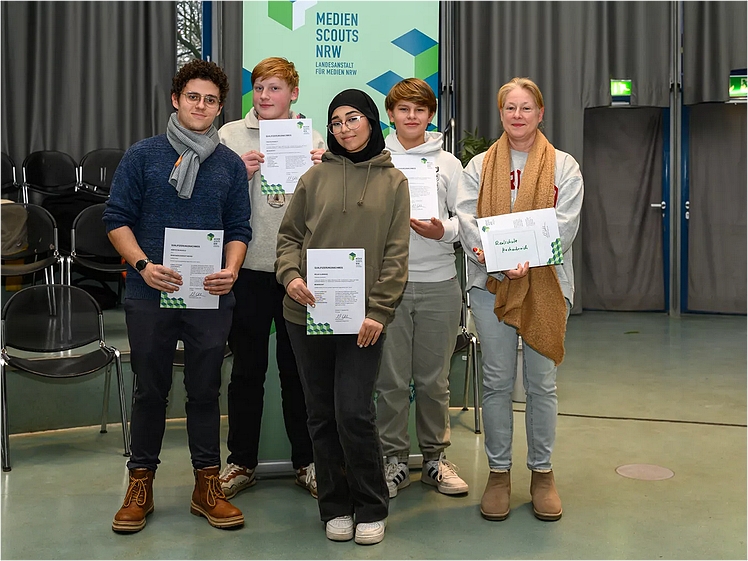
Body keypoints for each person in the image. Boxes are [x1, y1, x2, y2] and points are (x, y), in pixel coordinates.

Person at [104, 59, 251, 532]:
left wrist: (231, 269)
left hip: (209, 295)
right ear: (176, 99)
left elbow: (239, 227)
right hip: (149, 292)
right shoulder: (142, 155)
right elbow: (116, 219)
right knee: (151, 390)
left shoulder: (229, 164)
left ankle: (206, 486)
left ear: (220, 107)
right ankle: (139, 484)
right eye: (193, 97)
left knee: (205, 390)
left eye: (211, 100)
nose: (201, 106)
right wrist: (143, 267)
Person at [275, 89, 410, 545]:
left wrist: (380, 311)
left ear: (371, 120)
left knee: (354, 411)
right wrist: (291, 276)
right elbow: (289, 238)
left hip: (364, 320)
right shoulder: (314, 177)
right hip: (306, 313)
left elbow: (396, 254)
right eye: (336, 121)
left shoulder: (394, 181)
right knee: (320, 414)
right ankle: (334, 506)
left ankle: (370, 505)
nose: (344, 128)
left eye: (353, 118)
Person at [455, 77, 583, 522]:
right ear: (501, 113)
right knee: (495, 381)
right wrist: (498, 261)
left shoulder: (564, 166)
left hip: (546, 284)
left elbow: (565, 224)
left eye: (526, 108)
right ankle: (498, 472)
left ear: (540, 113)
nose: (518, 115)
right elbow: (466, 218)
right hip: (490, 285)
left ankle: (542, 473)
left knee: (541, 382)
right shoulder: (479, 166)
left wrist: (525, 258)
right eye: (510, 107)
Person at [217, 56, 325, 500]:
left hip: (297, 273)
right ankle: (241, 462)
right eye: (259, 87)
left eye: (275, 88)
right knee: (247, 371)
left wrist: (323, 171)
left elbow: (325, 209)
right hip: (248, 269)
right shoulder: (229, 135)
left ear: (293, 94)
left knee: (299, 372)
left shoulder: (313, 137)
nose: (265, 96)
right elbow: (210, 198)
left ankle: (307, 463)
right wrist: (234, 174)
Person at [375, 78, 468, 498]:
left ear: (431, 115)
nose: (411, 116)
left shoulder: (449, 164)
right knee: (390, 381)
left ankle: (434, 459)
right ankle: (394, 461)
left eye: (420, 109)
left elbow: (465, 220)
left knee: (434, 381)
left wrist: (441, 231)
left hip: (439, 284)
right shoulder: (375, 159)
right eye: (403, 109)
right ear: (390, 114)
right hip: (387, 287)